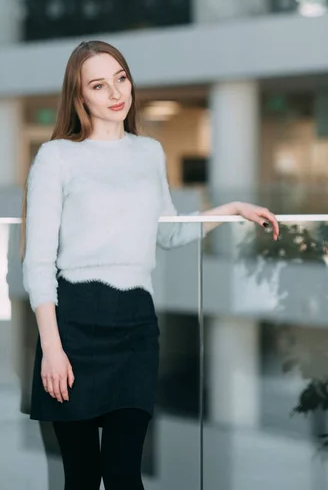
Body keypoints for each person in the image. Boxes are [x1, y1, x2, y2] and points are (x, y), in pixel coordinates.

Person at [21, 40, 279, 490]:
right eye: (99, 85)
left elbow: (168, 232)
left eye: (121, 78)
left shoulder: (149, 153)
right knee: (81, 478)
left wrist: (231, 208)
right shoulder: (57, 157)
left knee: (124, 476)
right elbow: (38, 261)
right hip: (73, 324)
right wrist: (53, 348)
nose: (116, 92)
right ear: (80, 97)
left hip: (136, 325)